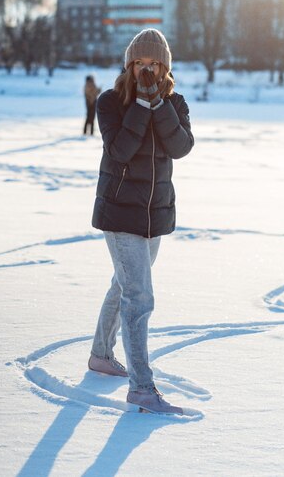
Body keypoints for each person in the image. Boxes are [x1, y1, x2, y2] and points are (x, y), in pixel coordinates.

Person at [88, 28, 194, 415]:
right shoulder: (111, 103)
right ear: (129, 65)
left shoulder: (175, 103)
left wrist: (159, 106)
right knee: (139, 297)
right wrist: (140, 107)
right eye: (139, 64)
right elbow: (119, 151)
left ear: (164, 67)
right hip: (119, 214)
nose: (146, 71)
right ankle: (142, 390)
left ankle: (101, 355)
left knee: (124, 284)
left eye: (153, 64)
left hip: (155, 215)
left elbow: (181, 147)